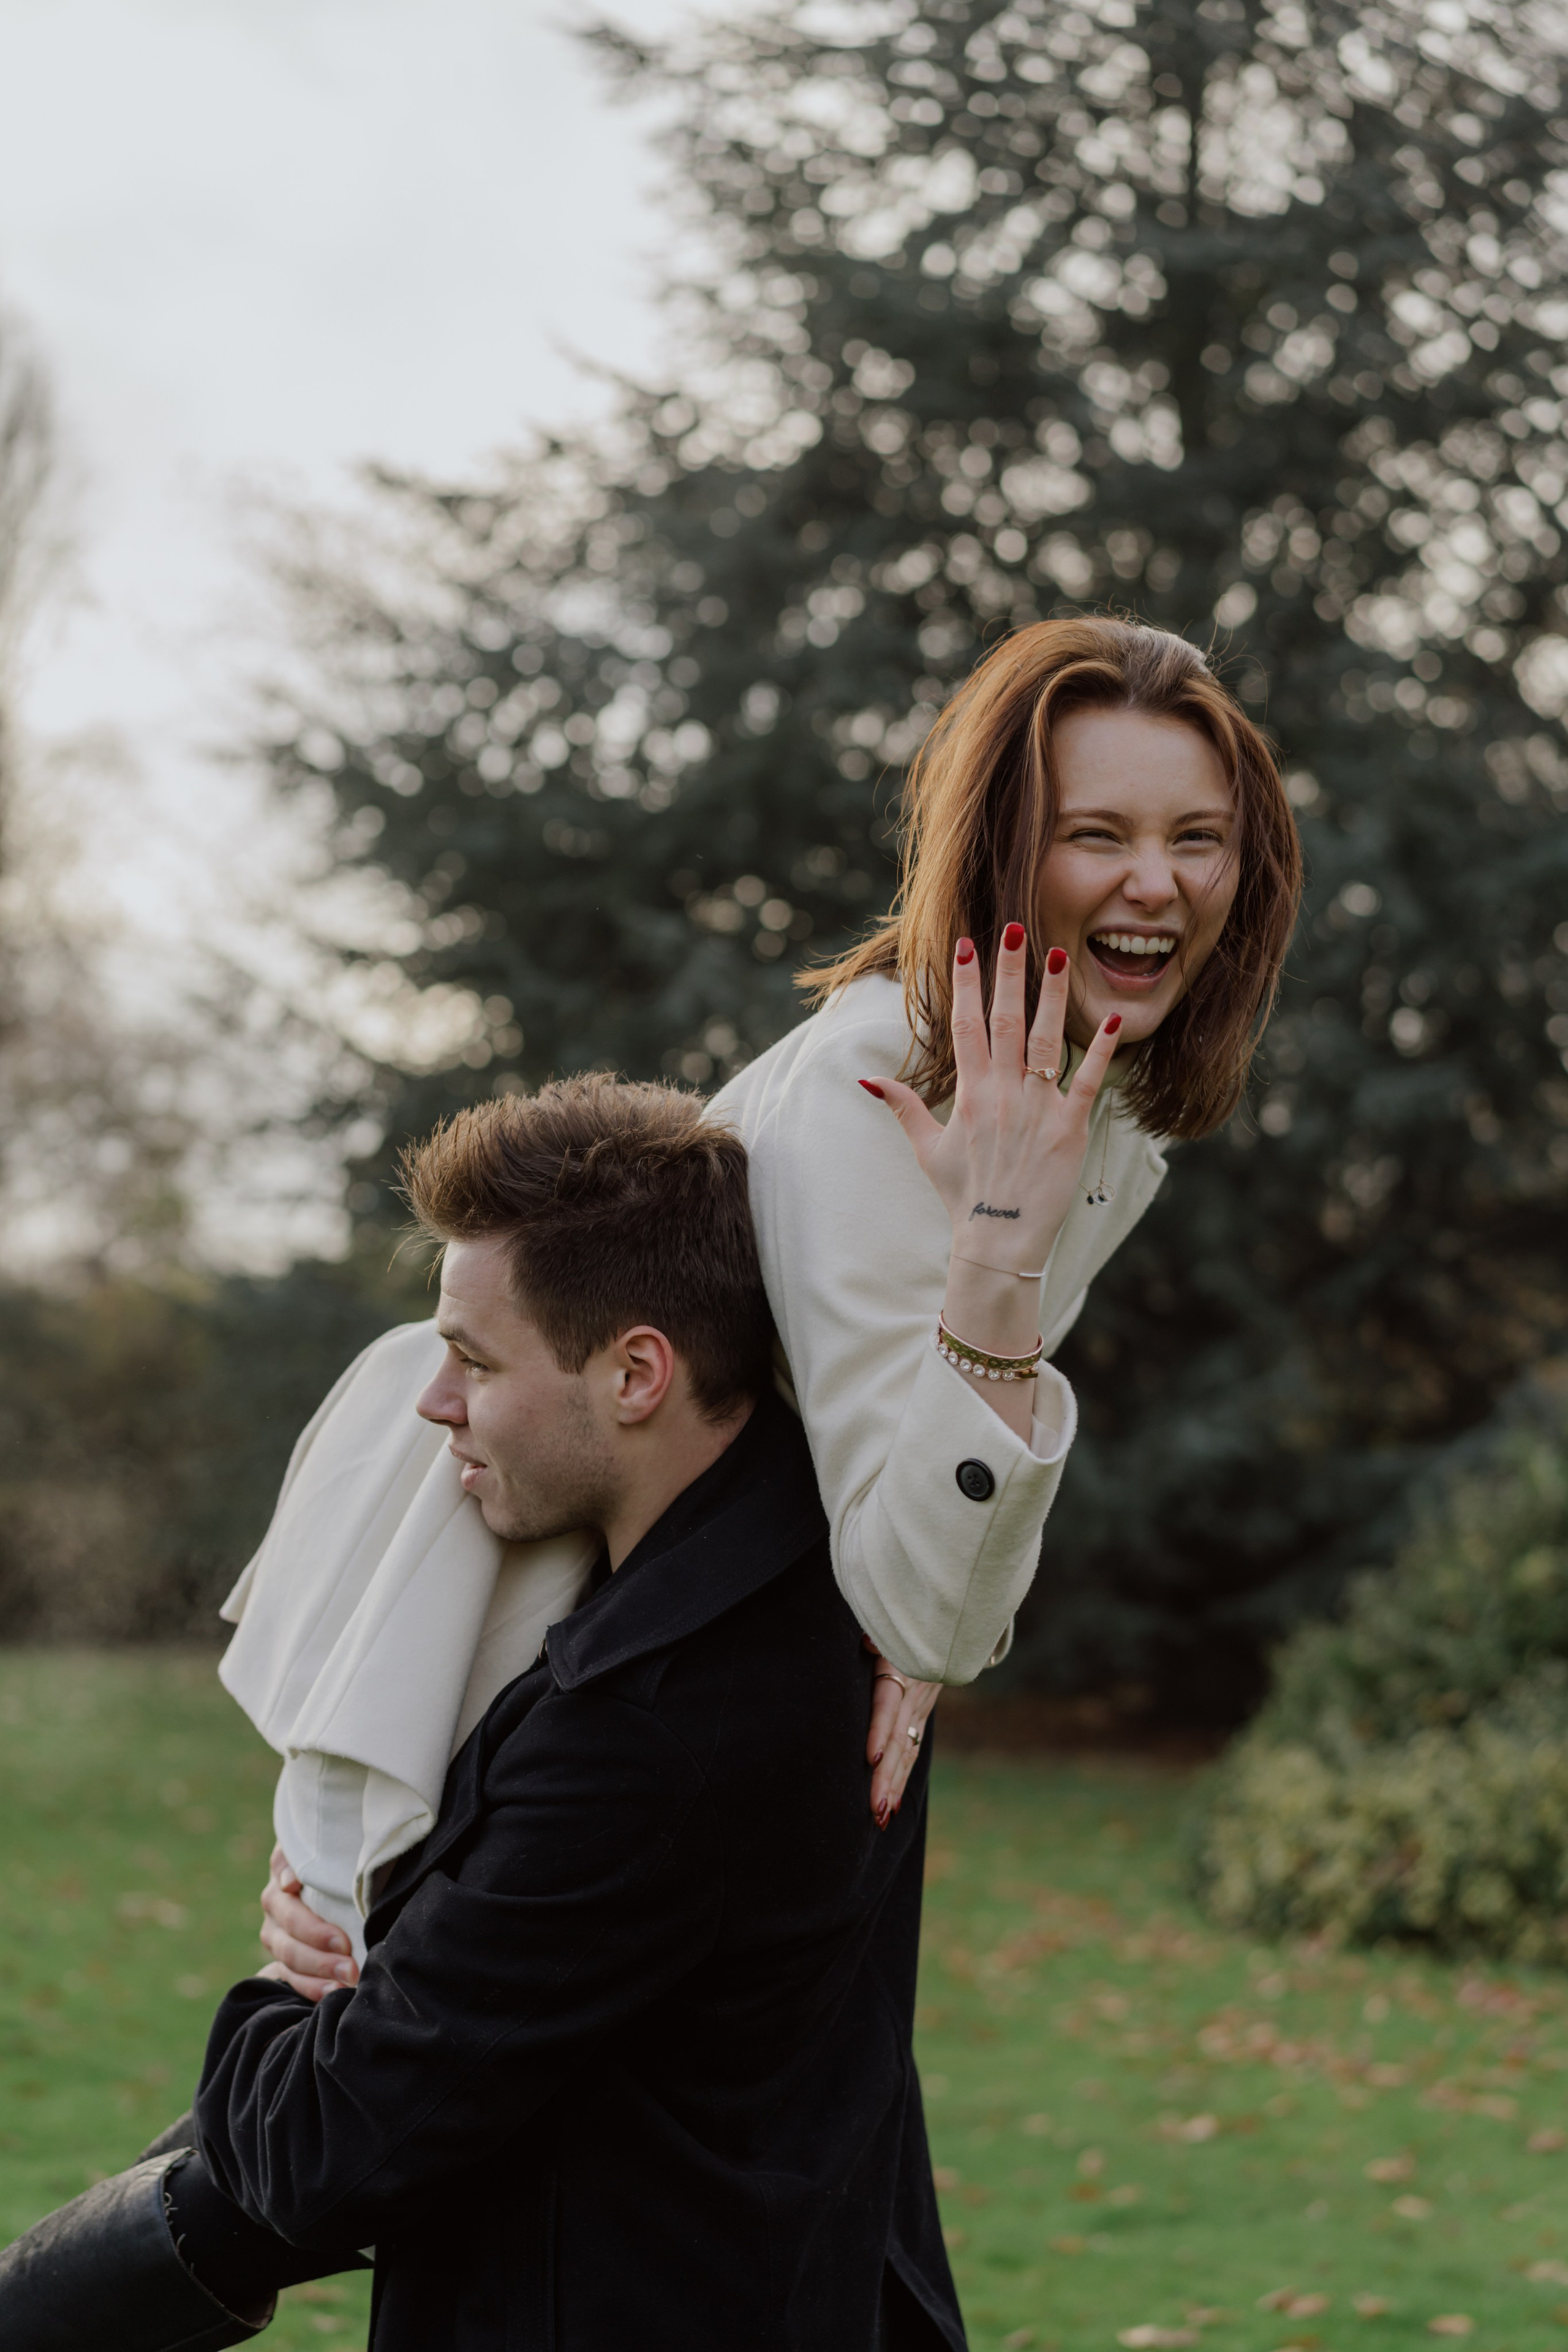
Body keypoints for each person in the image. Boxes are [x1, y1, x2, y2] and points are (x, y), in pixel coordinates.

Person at [241, 612, 1302, 2005]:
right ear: (1001, 851)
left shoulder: (1093, 1116)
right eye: (1094, 835)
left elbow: (920, 1534)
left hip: (731, 1706)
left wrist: (920, 1630)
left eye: (1198, 840)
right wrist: (921, 1628)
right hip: (549, 1664)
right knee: (342, 2100)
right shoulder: (882, 1079)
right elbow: (917, 1588)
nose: (1155, 885)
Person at [0, 1080, 966, 2350]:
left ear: (635, 1372)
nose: (432, 1403)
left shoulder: (657, 1731)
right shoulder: (824, 1549)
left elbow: (316, 2154)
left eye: (470, 1357)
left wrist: (305, 1975)